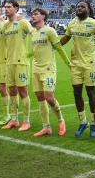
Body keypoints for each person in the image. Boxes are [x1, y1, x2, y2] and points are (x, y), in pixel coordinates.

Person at [60, 1, 95, 138]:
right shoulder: (72, 23)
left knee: (91, 92)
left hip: (90, 64)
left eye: (82, 6)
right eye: (78, 6)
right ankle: (82, 121)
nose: (79, 8)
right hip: (75, 64)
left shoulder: (94, 24)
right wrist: (52, 46)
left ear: (88, 10)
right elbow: (66, 38)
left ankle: (93, 122)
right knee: (77, 93)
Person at [28, 8, 72, 137]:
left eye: (36, 14)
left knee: (49, 98)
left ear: (43, 16)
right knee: (40, 98)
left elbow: (59, 48)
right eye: (32, 14)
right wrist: (25, 55)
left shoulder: (50, 31)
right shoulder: (34, 33)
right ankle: (46, 126)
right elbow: (35, 51)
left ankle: (61, 120)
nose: (33, 16)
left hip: (48, 69)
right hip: (35, 69)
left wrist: (69, 64)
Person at [1, 0, 34, 131]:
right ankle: (14, 119)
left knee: (23, 91)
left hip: (21, 62)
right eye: (5, 7)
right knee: (12, 91)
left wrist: (29, 54)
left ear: (16, 9)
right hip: (9, 62)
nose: (6, 9)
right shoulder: (5, 26)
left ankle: (26, 121)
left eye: (9, 7)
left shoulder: (23, 22)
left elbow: (34, 33)